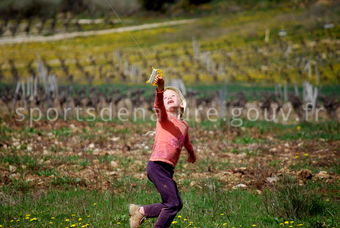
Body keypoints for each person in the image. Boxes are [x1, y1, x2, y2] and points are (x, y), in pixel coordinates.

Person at [129, 74, 197, 228]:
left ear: (181, 104)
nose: (169, 98)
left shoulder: (184, 125)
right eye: (166, 97)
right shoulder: (163, 119)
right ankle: (141, 212)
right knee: (173, 204)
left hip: (167, 169)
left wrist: (192, 154)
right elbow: (158, 105)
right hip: (156, 166)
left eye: (173, 96)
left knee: (175, 204)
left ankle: (140, 211)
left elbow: (186, 142)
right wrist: (160, 89)